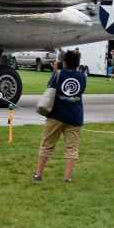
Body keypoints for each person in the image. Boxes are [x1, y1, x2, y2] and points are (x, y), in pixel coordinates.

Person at [33, 50, 86, 183]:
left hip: (56, 115)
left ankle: (38, 175)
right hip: (74, 116)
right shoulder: (82, 77)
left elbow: (50, 87)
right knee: (71, 148)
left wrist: (56, 71)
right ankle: (67, 178)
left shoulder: (58, 74)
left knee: (47, 145)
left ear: (65, 62)